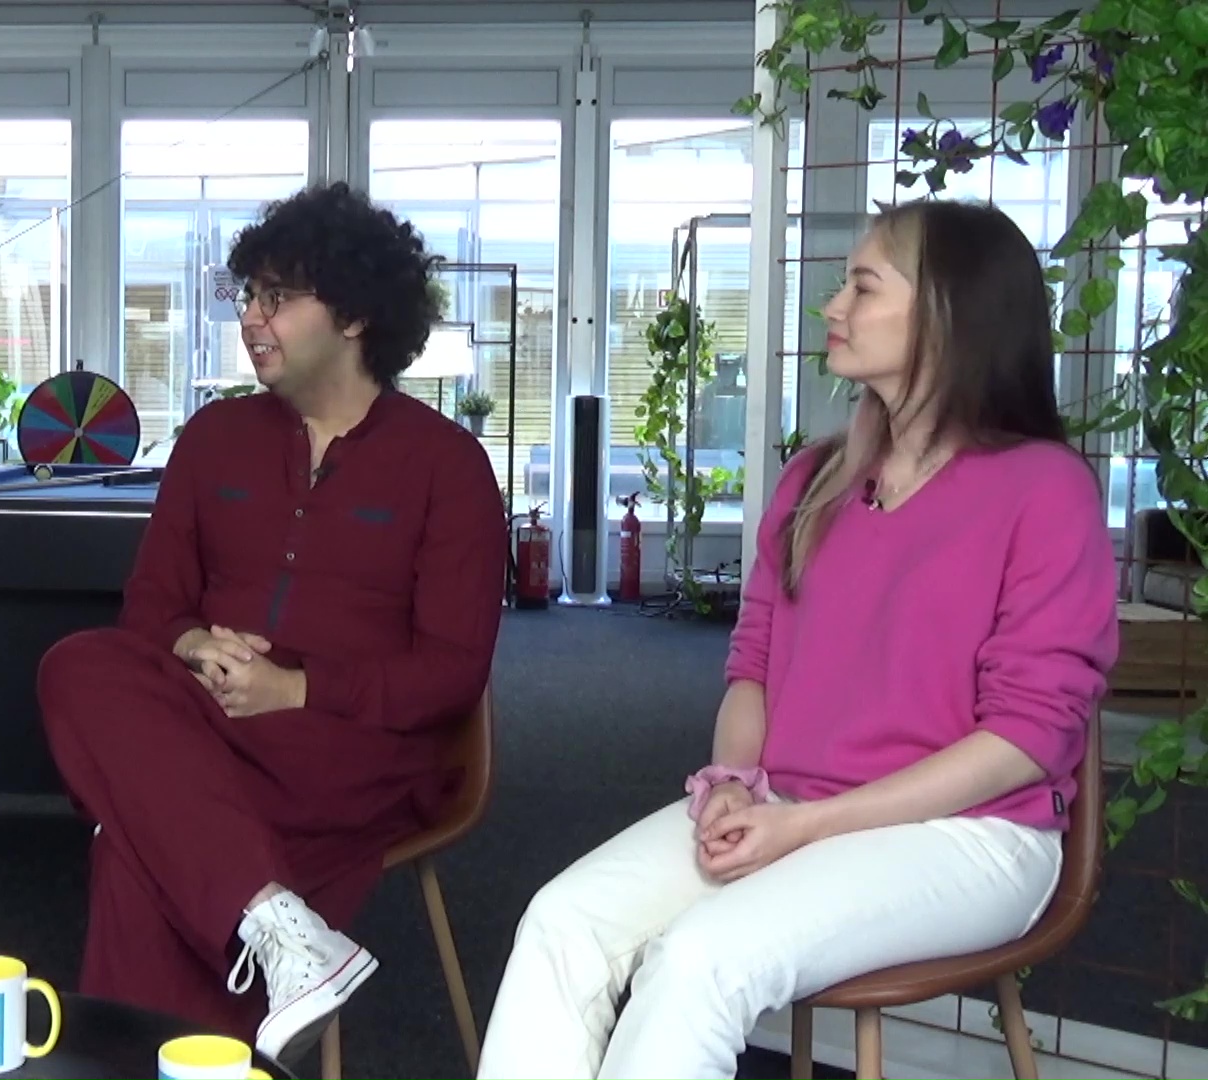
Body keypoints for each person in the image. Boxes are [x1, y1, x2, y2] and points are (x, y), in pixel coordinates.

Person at [474, 199, 1120, 1080]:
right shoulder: (817, 478)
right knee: (563, 922)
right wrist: (733, 784)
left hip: (969, 835)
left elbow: (1027, 738)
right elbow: (753, 668)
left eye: (863, 286)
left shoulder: (1045, 490)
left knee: (699, 961)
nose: (833, 306)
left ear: (947, 313)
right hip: (788, 804)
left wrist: (807, 825)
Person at [37, 182, 508, 1063]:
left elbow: (451, 672)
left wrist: (295, 688)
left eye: (277, 298)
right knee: (76, 664)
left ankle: (186, 1025)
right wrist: (190, 643)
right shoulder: (214, 439)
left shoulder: (449, 467)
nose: (251, 319)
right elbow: (150, 608)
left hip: (351, 751)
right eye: (248, 296)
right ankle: (274, 924)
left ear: (355, 315)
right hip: (208, 729)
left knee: (137, 845)